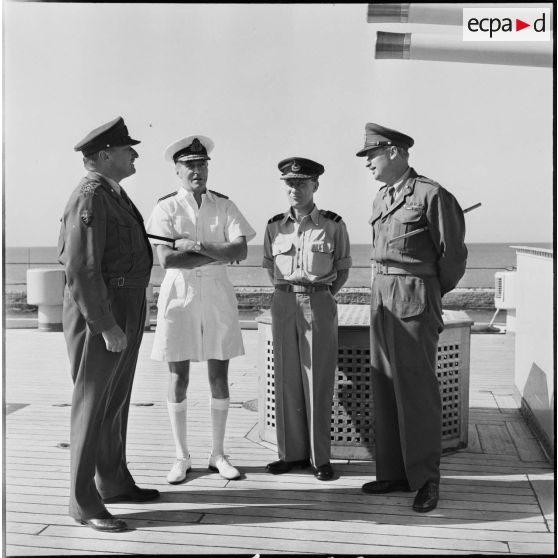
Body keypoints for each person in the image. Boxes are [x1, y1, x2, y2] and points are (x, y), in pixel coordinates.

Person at [355, 122, 467, 512]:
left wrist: (429, 293)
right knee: (384, 384)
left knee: (417, 392)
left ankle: (426, 480)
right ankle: (394, 473)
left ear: (394, 152)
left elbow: (453, 256)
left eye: (371, 155)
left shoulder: (432, 194)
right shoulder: (381, 198)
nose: (367, 163)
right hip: (382, 298)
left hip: (414, 298)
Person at [58, 116, 158, 533]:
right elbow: (80, 268)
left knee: (115, 401)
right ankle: (84, 504)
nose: (134, 153)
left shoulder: (113, 193)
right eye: (126, 149)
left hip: (124, 303)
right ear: (104, 155)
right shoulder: (89, 197)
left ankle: (113, 481)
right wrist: (104, 323)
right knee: (92, 404)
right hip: (102, 309)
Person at [146, 135, 256, 485]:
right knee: (178, 378)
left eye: (202, 164)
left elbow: (240, 251)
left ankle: (218, 454)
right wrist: (217, 250)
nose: (197, 170)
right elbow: (167, 258)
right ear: (177, 171)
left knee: (219, 377)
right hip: (179, 293)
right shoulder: (165, 208)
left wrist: (195, 245)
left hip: (218, 293)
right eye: (190, 165)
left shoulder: (224, 205)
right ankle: (181, 456)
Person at [263, 157, 352, 481]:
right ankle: (290, 455)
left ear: (315, 185)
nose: (294, 189)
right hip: (283, 301)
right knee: (285, 377)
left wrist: (320, 295)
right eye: (289, 183)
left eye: (301, 183)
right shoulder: (274, 226)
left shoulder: (332, 224)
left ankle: (319, 459)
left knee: (318, 381)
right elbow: (268, 266)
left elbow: (342, 269)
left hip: (317, 301)